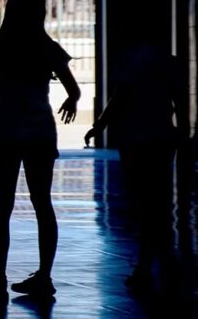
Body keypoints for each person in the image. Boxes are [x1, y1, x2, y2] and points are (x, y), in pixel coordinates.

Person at [0, 0, 81, 301]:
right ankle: (45, 275)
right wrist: (71, 101)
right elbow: (74, 89)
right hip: (40, 133)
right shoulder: (48, 47)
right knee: (42, 204)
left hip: (5, 133)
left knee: (1, 207)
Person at [84, 43, 186, 294]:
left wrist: (99, 126)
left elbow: (119, 98)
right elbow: (180, 101)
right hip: (161, 138)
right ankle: (162, 260)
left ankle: (147, 263)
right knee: (160, 203)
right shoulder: (169, 63)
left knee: (142, 203)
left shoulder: (130, 63)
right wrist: (182, 134)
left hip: (135, 140)